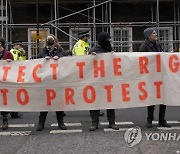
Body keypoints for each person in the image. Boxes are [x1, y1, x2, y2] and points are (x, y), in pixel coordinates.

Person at [139, 27, 171, 128]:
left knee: (163, 98)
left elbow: (161, 55)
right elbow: (142, 61)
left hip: (160, 75)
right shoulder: (143, 47)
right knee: (152, 99)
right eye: (153, 33)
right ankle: (150, 119)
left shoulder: (157, 44)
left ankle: (162, 119)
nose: (156, 34)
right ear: (148, 36)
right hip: (150, 76)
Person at [88, 32, 119, 131]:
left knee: (110, 101)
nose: (108, 42)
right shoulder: (94, 50)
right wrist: (90, 57)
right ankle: (94, 122)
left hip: (108, 80)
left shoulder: (111, 49)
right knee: (95, 102)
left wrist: (114, 56)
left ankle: (112, 122)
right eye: (107, 40)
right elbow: (87, 64)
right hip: (96, 80)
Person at [36, 34, 68, 131]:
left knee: (58, 102)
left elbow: (66, 55)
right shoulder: (44, 50)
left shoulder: (60, 50)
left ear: (55, 40)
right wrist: (44, 57)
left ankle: (60, 122)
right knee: (45, 103)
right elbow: (38, 57)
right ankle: (41, 123)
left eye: (51, 39)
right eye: (48, 39)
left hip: (57, 80)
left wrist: (58, 56)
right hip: (46, 81)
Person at [72, 30, 105, 116]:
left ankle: (94, 109)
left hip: (84, 70)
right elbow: (81, 59)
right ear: (84, 37)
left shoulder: (82, 44)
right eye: (87, 37)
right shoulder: (80, 45)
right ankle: (94, 109)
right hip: (84, 71)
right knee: (90, 90)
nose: (89, 38)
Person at [9, 40, 26, 119]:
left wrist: (23, 54)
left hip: (18, 73)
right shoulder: (13, 52)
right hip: (13, 74)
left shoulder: (18, 52)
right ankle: (13, 113)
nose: (20, 46)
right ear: (15, 45)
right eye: (19, 45)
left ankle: (14, 112)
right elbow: (15, 61)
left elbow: (23, 62)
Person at [0, 37, 14, 130]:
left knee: (3, 100)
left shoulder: (8, 54)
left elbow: (15, 67)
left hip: (4, 80)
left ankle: (5, 120)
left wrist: (11, 63)